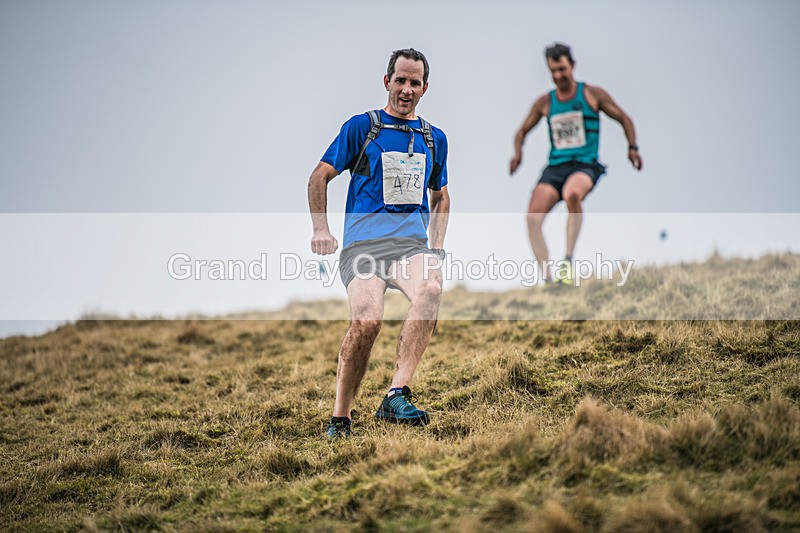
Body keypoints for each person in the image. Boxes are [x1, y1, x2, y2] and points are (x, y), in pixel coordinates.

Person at [307, 48, 450, 438]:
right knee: (368, 322)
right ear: (387, 81)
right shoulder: (362, 127)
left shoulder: (433, 138)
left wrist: (435, 249)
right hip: (364, 248)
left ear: (425, 88)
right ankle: (341, 417)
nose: (406, 89)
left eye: (414, 83)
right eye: (400, 80)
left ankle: (396, 394)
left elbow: (441, 196)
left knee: (432, 288)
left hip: (410, 246)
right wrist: (321, 229)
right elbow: (318, 177)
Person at [510, 42, 642, 285]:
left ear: (573, 66)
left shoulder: (592, 95)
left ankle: (568, 262)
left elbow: (625, 119)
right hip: (556, 168)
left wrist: (632, 147)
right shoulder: (545, 103)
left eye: (562, 69)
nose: (558, 76)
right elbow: (521, 131)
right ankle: (549, 280)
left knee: (572, 195)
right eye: (553, 71)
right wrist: (517, 154)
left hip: (585, 165)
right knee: (531, 219)